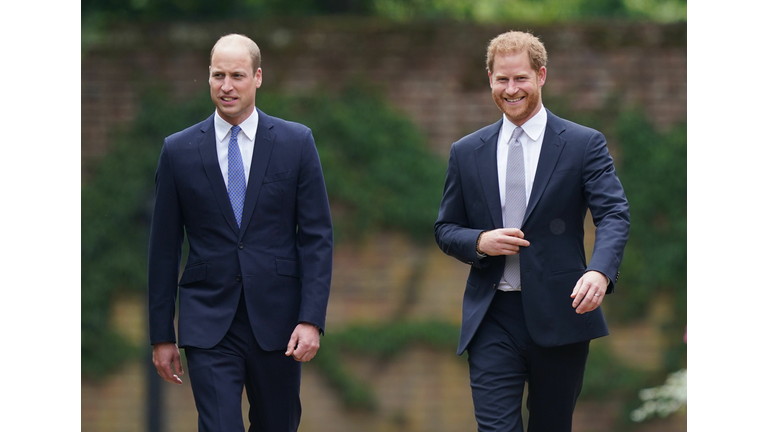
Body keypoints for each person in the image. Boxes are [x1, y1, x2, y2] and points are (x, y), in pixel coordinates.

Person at [434, 30, 630, 432]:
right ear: (489, 79)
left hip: (562, 311)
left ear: (541, 76)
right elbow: (445, 228)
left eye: (520, 78)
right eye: (502, 79)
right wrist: (479, 241)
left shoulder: (583, 144)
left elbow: (613, 214)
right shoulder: (466, 151)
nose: (511, 89)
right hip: (493, 315)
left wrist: (599, 270)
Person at [147, 34, 333, 432]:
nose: (226, 85)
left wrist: (311, 319)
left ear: (258, 77)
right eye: (218, 75)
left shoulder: (296, 142)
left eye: (236, 75)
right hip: (208, 320)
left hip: (279, 322)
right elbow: (163, 249)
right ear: (208, 78)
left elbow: (316, 237)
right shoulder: (178, 151)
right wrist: (161, 335)